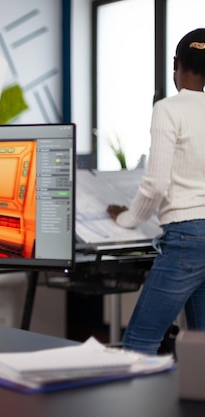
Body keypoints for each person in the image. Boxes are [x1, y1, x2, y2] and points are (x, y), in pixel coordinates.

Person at [107, 28, 205, 355]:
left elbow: (156, 184)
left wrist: (126, 218)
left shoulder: (167, 109)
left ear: (175, 63)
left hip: (186, 239)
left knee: (139, 344)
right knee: (201, 344)